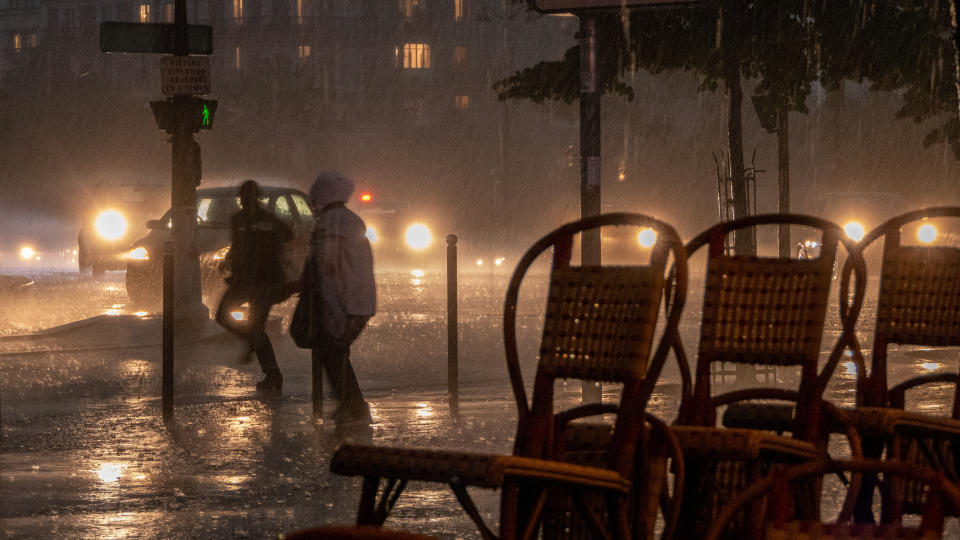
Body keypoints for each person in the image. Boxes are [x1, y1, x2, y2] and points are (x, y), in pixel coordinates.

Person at [305, 171, 376, 424]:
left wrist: (331, 309)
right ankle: (351, 406)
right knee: (336, 353)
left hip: (346, 303)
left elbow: (326, 267)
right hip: (360, 301)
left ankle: (355, 408)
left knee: (332, 353)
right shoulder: (349, 220)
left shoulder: (330, 223)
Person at [215, 180, 293, 396]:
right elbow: (239, 244)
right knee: (225, 317)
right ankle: (253, 343)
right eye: (243, 197)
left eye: (247, 197)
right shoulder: (240, 220)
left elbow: (287, 235)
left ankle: (272, 373)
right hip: (245, 280)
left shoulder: (265, 220)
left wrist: (268, 247)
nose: (245, 201)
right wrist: (229, 259)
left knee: (254, 325)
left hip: (264, 281)